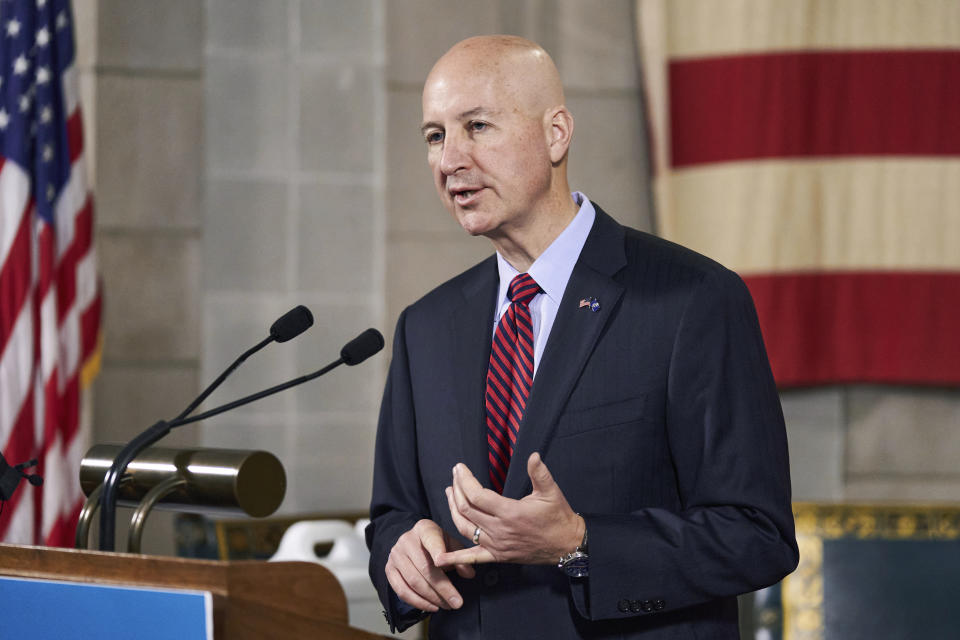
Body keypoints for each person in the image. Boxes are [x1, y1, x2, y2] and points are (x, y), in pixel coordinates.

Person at [365, 35, 798, 639]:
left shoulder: (690, 299)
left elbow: (758, 535)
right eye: (435, 136)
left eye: (478, 126)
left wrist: (579, 542)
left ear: (556, 134)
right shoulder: (425, 326)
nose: (449, 159)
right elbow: (393, 514)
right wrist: (401, 552)